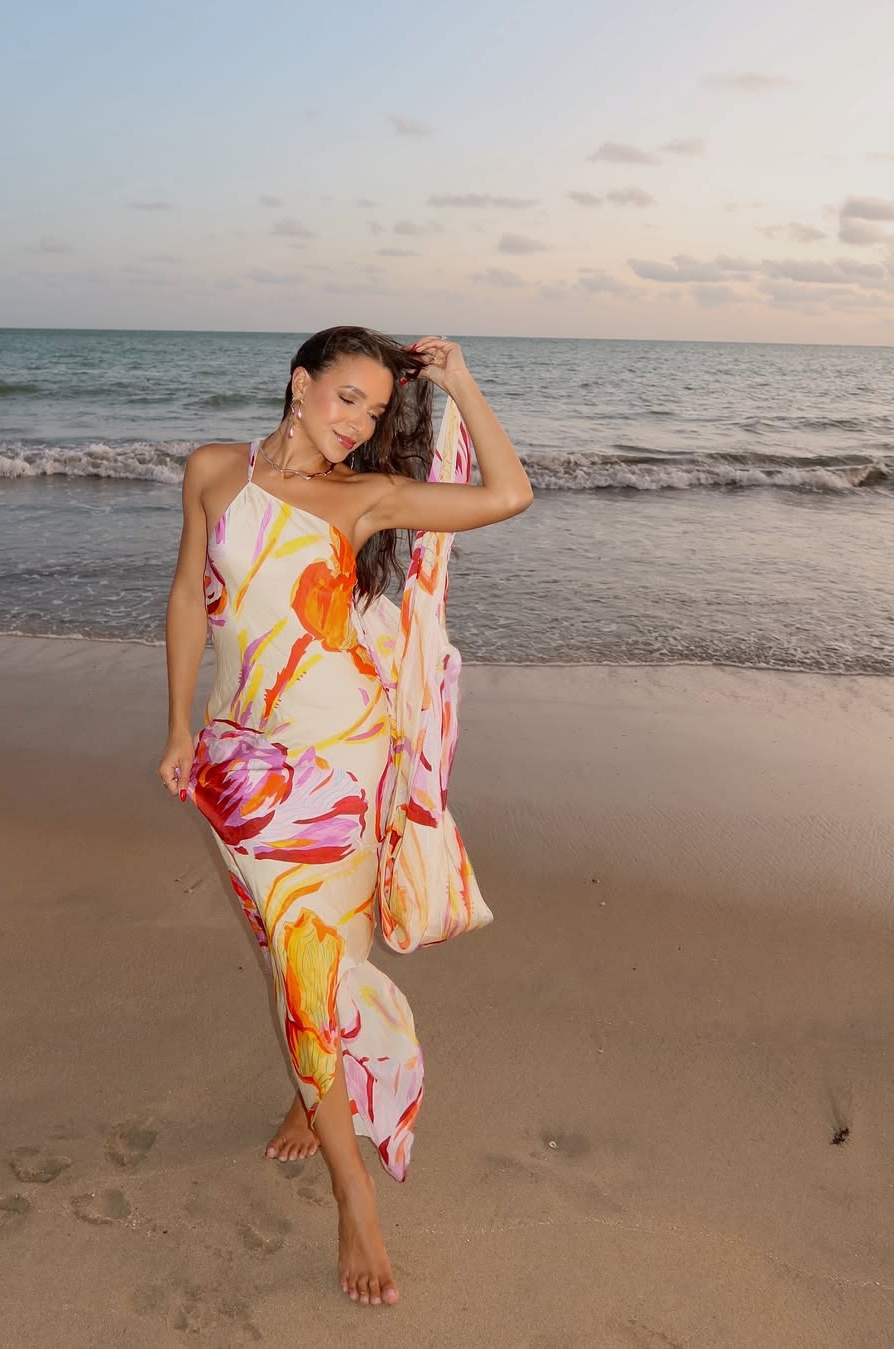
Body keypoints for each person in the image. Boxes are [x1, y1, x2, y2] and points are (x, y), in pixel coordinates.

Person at [158, 326, 532, 1307]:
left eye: (374, 409)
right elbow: (190, 600)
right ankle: (312, 1079)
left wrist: (460, 381)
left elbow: (508, 493)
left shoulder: (361, 497)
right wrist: (178, 725)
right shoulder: (213, 471)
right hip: (237, 760)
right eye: (346, 397)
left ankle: (353, 1192)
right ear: (300, 383)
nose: (359, 422)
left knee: (311, 957)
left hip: (341, 764)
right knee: (285, 949)